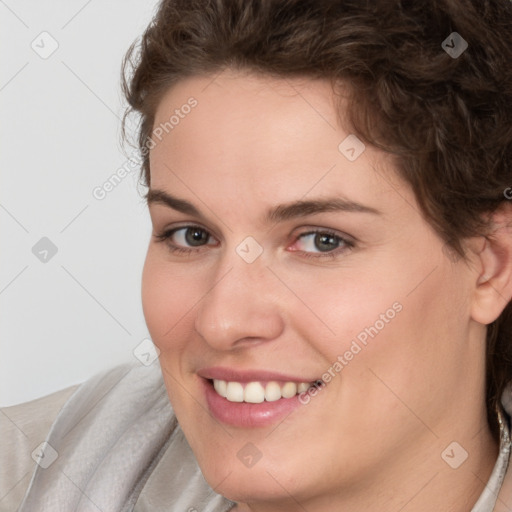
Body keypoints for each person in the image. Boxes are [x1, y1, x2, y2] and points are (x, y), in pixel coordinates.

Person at [2, 0, 512, 510]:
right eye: (192, 235)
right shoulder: (44, 468)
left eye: (321, 241)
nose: (223, 321)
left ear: (491, 264)